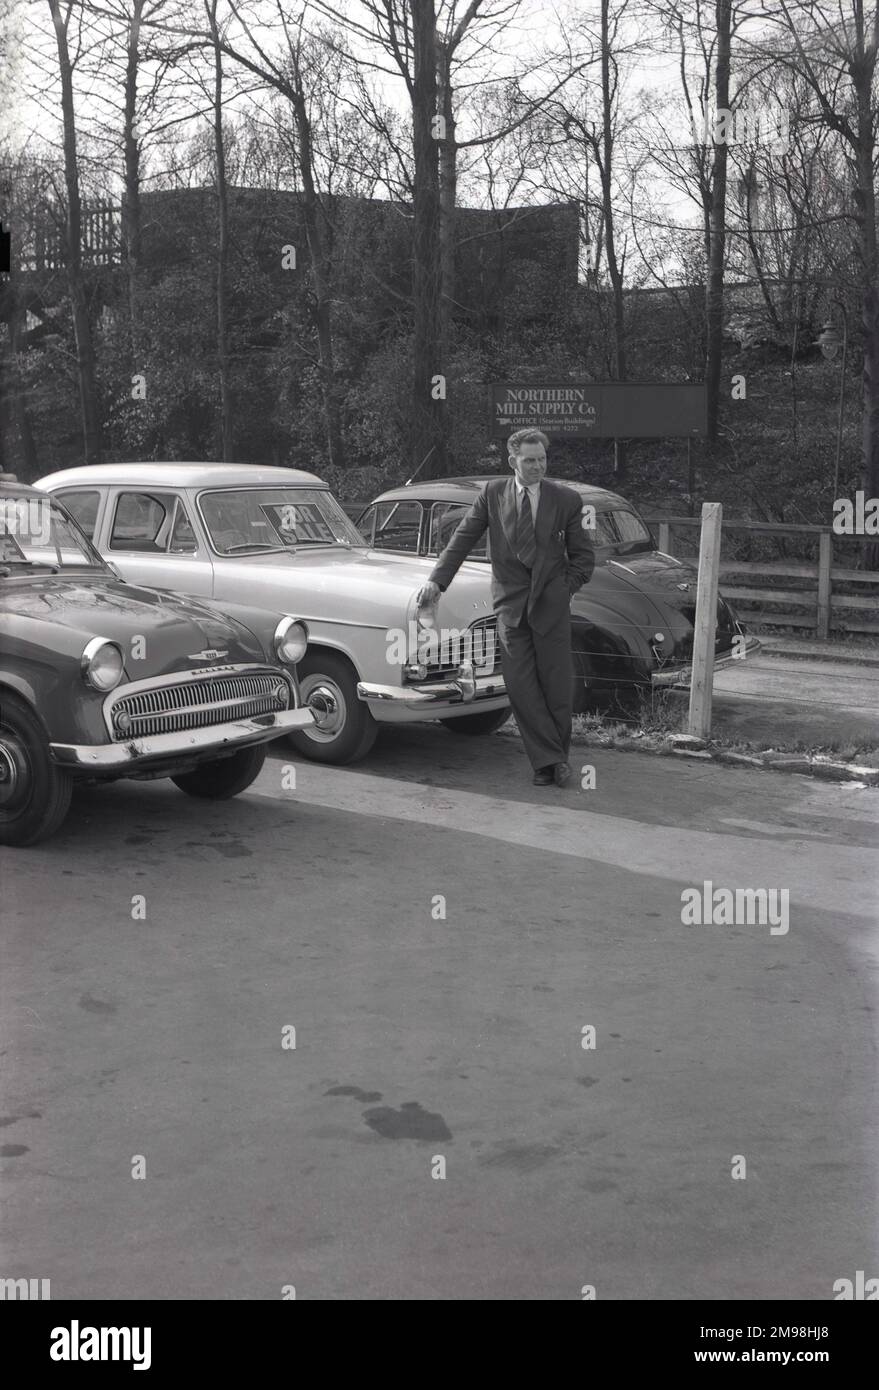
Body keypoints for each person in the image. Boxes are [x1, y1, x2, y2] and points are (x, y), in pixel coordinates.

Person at [416, 429, 594, 787]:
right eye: (530, 460)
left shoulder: (566, 500)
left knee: (557, 689)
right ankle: (550, 761)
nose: (538, 466)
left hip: (551, 608)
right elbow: (462, 538)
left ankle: (552, 762)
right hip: (511, 610)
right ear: (513, 461)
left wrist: (563, 590)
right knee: (521, 687)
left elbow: (584, 558)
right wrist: (437, 581)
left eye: (542, 459)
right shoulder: (493, 494)